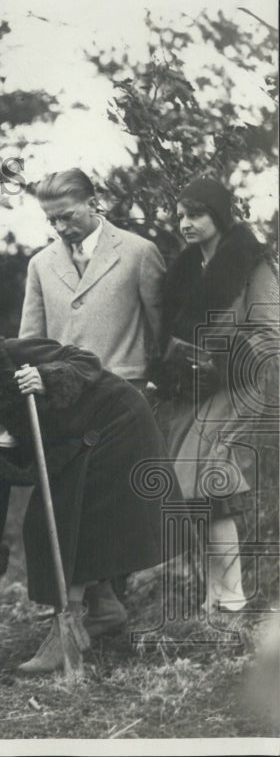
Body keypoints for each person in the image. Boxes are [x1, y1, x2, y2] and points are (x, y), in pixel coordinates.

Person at [0, 337, 169, 673]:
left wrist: (47, 377)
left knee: (62, 517)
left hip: (114, 420)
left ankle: (63, 633)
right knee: (46, 524)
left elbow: (85, 359)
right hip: (74, 450)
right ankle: (104, 609)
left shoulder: (2, 356)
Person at [19, 168, 167, 626]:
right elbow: (30, 338)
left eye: (66, 216)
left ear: (93, 201)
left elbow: (160, 326)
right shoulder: (42, 264)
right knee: (75, 502)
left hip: (124, 397)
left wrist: (157, 379)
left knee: (113, 504)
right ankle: (100, 609)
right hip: (64, 399)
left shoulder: (139, 252)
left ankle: (102, 607)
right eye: (52, 221)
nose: (61, 228)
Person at [151, 176, 279, 612]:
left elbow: (270, 335)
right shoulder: (184, 271)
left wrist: (219, 362)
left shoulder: (253, 263)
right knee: (189, 482)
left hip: (241, 383)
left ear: (220, 217)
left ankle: (233, 596)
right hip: (194, 387)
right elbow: (171, 336)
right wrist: (174, 370)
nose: (186, 222)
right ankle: (215, 594)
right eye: (181, 214)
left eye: (197, 213)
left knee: (212, 476)